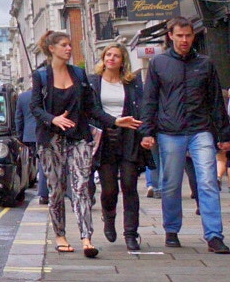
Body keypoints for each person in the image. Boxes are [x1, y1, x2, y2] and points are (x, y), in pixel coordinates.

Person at [140, 17, 230, 253]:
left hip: (200, 130)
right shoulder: (159, 63)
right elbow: (149, 99)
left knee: (209, 182)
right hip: (170, 131)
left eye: (188, 35)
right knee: (170, 184)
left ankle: (213, 235)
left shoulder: (205, 63)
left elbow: (215, 100)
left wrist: (224, 132)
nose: (184, 40)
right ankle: (171, 230)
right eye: (179, 35)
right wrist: (147, 131)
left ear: (193, 36)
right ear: (170, 35)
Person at [30, 31, 101, 258]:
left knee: (81, 187)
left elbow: (91, 108)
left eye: (70, 45)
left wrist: (115, 121)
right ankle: (60, 235)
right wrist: (53, 119)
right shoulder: (40, 76)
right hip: (51, 140)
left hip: (78, 136)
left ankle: (86, 237)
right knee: (57, 189)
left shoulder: (79, 74)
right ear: (52, 49)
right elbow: (35, 107)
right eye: (64, 45)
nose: (69, 49)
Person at [92, 43, 147, 252]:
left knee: (129, 185)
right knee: (109, 189)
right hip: (105, 138)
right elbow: (93, 109)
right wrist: (112, 122)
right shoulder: (94, 82)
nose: (111, 59)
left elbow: (142, 108)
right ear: (103, 58)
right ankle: (109, 217)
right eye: (108, 55)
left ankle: (131, 234)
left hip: (129, 137)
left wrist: (146, 134)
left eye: (116, 56)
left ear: (123, 60)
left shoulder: (132, 83)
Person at [14, 83, 50, 204]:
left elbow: (18, 118)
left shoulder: (23, 97)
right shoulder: (46, 95)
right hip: (45, 133)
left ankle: (43, 193)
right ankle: (44, 193)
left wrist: (20, 136)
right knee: (43, 162)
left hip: (29, 135)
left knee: (39, 161)